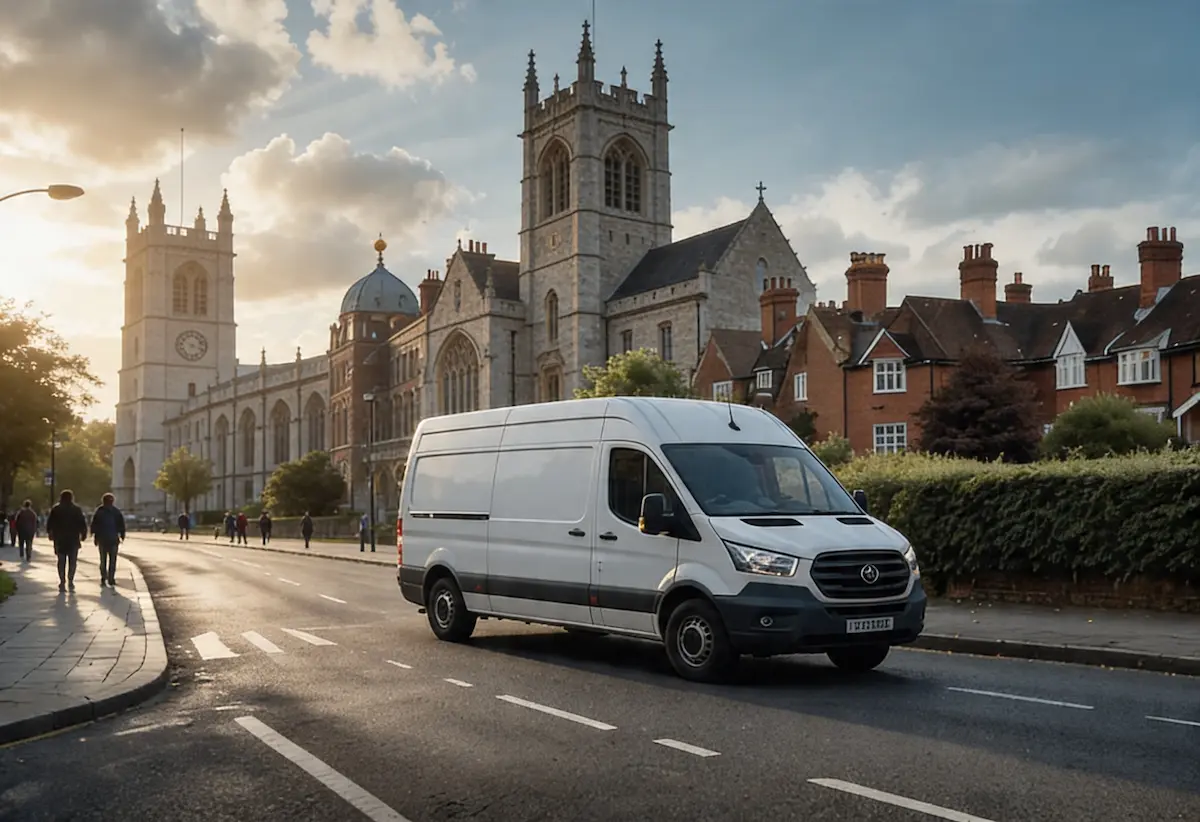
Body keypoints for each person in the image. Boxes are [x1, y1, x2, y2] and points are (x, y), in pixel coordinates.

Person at [45, 490, 88, 593]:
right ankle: (70, 579)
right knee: (72, 561)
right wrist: (83, 534)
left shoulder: (56, 509)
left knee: (61, 561)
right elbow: (82, 523)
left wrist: (50, 533)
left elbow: (50, 523)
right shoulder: (76, 509)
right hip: (73, 538)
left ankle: (62, 580)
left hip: (60, 539)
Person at [90, 493, 126, 587]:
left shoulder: (99, 511)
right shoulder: (116, 511)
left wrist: (95, 536)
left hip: (102, 539)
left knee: (103, 560)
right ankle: (111, 578)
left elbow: (94, 524)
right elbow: (121, 524)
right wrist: (122, 535)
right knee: (112, 560)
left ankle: (103, 577)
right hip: (113, 539)